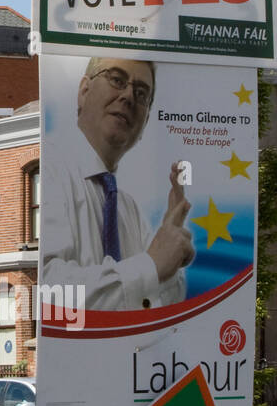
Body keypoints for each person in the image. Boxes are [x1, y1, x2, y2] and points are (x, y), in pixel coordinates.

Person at [41, 56, 194, 311]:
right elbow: (48, 293)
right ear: (84, 91)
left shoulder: (128, 208)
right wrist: (153, 265)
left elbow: (158, 307)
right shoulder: (48, 170)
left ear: (145, 123)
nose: (128, 96)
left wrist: (171, 260)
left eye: (142, 93)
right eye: (116, 79)